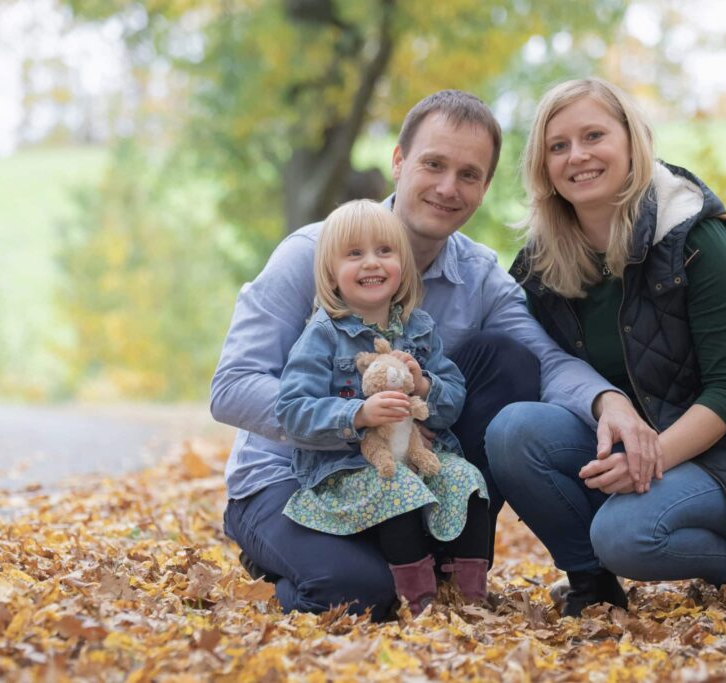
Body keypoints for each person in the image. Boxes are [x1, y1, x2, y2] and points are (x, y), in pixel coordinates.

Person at [211, 89, 647, 618]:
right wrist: (350, 416)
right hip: (290, 477)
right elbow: (232, 386)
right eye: (433, 164)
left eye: (468, 174)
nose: (448, 188)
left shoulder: (479, 275)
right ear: (398, 162)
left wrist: (609, 402)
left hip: (404, 477)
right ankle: (296, 562)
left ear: (485, 188)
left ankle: (448, 561)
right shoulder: (314, 254)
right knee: (359, 598)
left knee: (506, 357)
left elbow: (545, 361)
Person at [485, 78, 726, 617]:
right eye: (558, 146)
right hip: (636, 454)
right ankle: (593, 585)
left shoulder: (691, 236)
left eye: (594, 135)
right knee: (513, 431)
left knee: (624, 537)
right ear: (543, 165)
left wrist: (651, 458)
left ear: (631, 141)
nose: (578, 156)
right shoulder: (543, 264)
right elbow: (543, 368)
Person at [274, 200, 489, 616]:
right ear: (331, 271)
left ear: (402, 265)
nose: (371, 263)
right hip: (345, 467)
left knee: (467, 479)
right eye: (354, 254)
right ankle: (419, 604)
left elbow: (453, 400)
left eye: (384, 252)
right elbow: (293, 410)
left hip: (413, 455)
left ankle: (469, 598)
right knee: (398, 490)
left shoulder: (419, 328)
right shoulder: (322, 334)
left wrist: (425, 384)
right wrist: (358, 415)